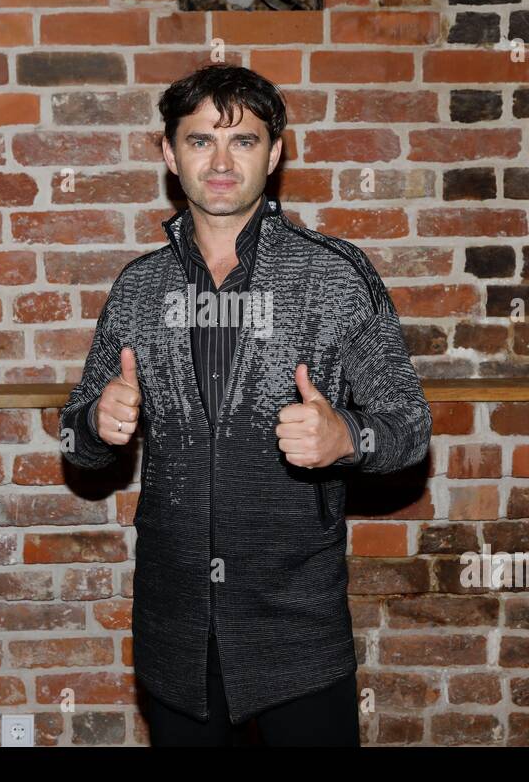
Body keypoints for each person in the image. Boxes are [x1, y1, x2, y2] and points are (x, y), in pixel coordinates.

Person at [59, 63, 432, 746]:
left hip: (297, 634)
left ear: (276, 153)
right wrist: (94, 423)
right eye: (201, 141)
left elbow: (409, 427)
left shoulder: (335, 275)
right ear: (170, 155)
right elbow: (74, 439)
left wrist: (346, 436)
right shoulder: (139, 289)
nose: (222, 161)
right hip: (176, 633)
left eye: (245, 141)